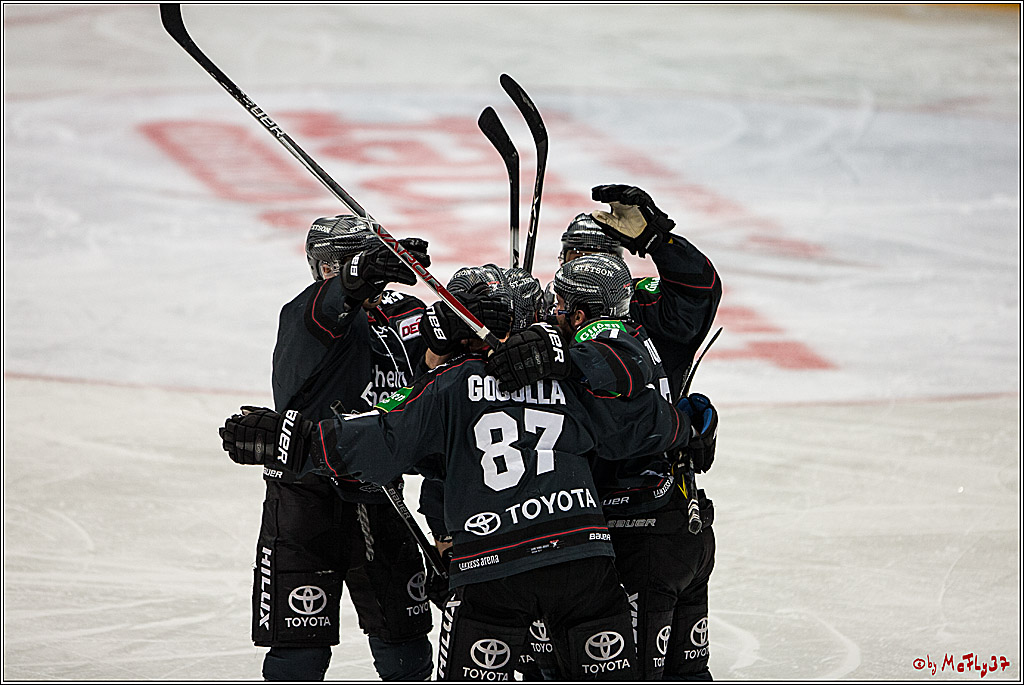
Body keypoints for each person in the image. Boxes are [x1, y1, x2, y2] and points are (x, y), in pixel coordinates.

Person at [219, 267, 713, 681]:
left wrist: (294, 438)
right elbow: (639, 426)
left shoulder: (448, 388)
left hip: (490, 569)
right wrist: (691, 424)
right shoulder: (568, 379)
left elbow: (380, 443)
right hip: (581, 558)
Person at [487, 185, 722, 680]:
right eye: (574, 257)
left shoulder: (643, 312)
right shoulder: (540, 320)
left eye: (598, 256)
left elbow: (701, 290)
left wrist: (659, 239)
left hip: (643, 506)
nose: (584, 269)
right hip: (577, 517)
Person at [251, 214, 435, 681]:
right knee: (298, 644)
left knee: (404, 635)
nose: (332, 273)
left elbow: (449, 348)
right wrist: (355, 277)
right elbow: (333, 305)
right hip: (306, 495)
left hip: (380, 494)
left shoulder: (405, 315)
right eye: (329, 265)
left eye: (343, 262)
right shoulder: (306, 314)